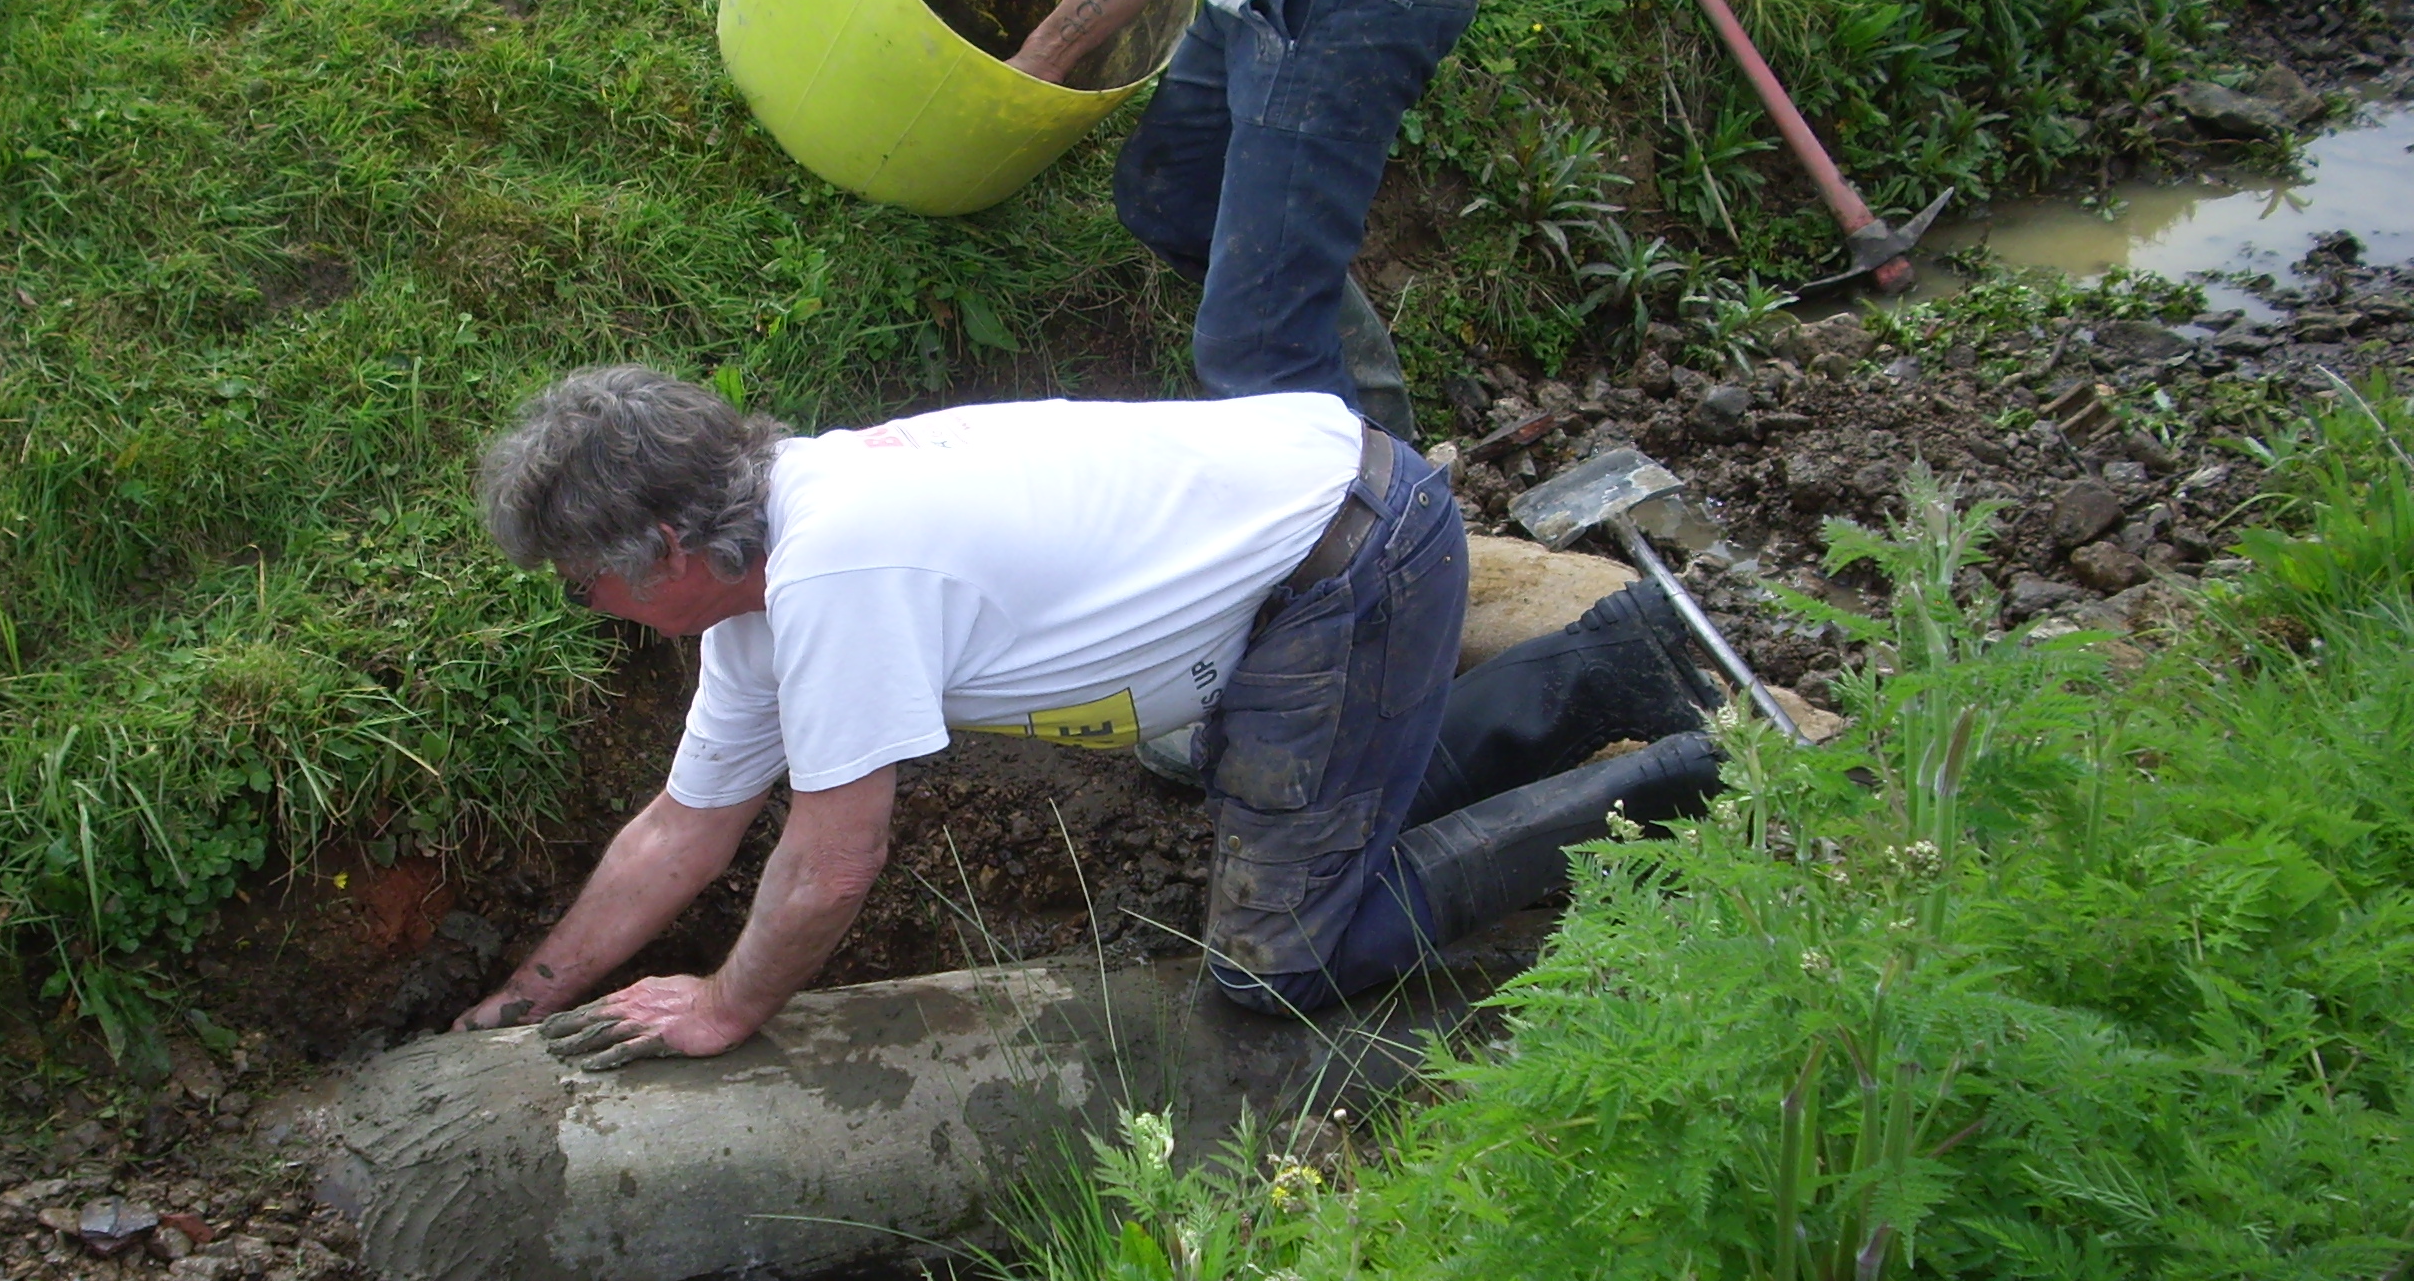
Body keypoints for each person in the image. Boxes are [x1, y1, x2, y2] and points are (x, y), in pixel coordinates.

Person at [452, 366, 1724, 1067]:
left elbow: (834, 862)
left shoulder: (838, 566)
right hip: (1310, 556)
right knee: (1286, 802)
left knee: (1282, 964)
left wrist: (729, 1005)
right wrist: (518, 1003)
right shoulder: (761, 592)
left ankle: (1678, 775)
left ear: (668, 548)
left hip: (1346, 566)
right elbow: (682, 827)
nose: (586, 603)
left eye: (583, 580)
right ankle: (1618, 663)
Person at [731, 0, 1481, 442]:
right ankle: (1357, 392)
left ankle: (1385, 523)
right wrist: (1047, 54)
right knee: (1172, 196)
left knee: (1253, 351)